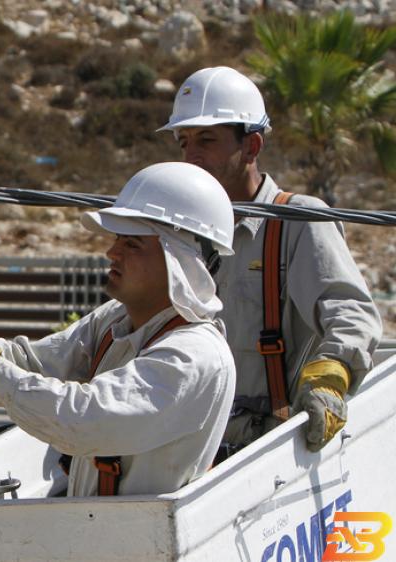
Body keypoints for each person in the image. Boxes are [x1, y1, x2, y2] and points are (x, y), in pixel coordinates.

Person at [0, 162, 237, 497]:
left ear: (180, 263)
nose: (112, 252)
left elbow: (83, 420)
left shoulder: (195, 357)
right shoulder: (116, 320)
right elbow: (33, 362)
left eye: (132, 243)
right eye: (117, 238)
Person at [159, 66, 382, 454]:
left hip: (272, 452)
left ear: (252, 146)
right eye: (184, 142)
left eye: (206, 140)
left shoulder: (296, 222)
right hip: (193, 447)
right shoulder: (181, 234)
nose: (191, 155)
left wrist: (328, 380)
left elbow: (352, 315)